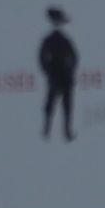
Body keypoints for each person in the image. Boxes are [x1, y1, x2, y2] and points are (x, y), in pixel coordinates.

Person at [38, 10, 78, 140]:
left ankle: (63, 131)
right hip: (57, 76)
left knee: (65, 105)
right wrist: (48, 70)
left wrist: (69, 69)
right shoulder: (53, 40)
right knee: (53, 104)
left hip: (63, 77)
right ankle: (48, 130)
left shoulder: (64, 40)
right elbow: (42, 57)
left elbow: (74, 57)